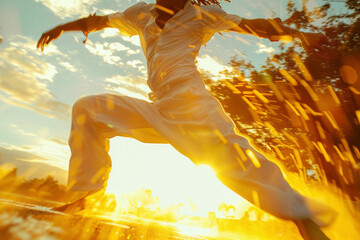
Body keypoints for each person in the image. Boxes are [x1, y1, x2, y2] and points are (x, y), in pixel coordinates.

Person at [37, 0, 335, 239]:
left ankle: (305, 222)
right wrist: (62, 27)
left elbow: (253, 26)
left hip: (192, 105)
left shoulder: (204, 14)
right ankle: (87, 194)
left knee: (237, 161)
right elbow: (101, 20)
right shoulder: (141, 13)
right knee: (88, 109)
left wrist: (300, 34)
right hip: (159, 106)